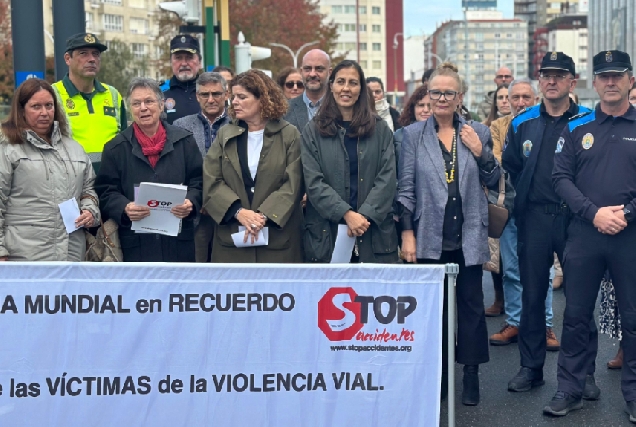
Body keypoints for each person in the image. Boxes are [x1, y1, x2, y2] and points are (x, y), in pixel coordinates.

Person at [398, 63, 501, 406]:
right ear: (427, 94)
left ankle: (470, 374)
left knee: (471, 308)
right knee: (435, 313)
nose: (441, 98)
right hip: (430, 235)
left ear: (460, 97)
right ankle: (439, 378)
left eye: (448, 93)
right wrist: (407, 233)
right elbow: (406, 190)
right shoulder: (412, 135)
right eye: (435, 92)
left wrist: (479, 151)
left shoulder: (478, 132)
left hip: (468, 233)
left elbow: (494, 179)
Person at [547, 50, 636, 420]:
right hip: (584, 234)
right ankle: (569, 388)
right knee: (577, 316)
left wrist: (625, 215)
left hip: (630, 236)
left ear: (631, 80)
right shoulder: (577, 128)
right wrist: (593, 213)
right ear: (594, 82)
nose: (611, 82)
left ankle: (633, 395)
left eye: (618, 75)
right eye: (604, 76)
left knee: (634, 318)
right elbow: (560, 179)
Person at [502, 52, 597, 397]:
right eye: (547, 75)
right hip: (536, 218)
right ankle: (531, 368)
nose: (552, 81)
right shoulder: (522, 123)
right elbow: (512, 164)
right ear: (540, 80)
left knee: (580, 298)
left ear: (573, 82)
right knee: (532, 295)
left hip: (578, 219)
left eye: (560, 75)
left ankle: (584, 373)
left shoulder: (589, 120)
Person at [96, 78, 202, 262]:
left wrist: (191, 202)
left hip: (178, 242)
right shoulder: (115, 148)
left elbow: (199, 182)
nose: (143, 108)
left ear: (161, 106)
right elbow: (105, 191)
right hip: (135, 245)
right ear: (130, 109)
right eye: (136, 103)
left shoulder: (185, 141)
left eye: (149, 101)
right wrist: (124, 207)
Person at [302, 60, 398, 264]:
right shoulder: (313, 130)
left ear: (361, 89)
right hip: (327, 236)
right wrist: (346, 214)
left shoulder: (380, 130)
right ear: (331, 86)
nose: (346, 88)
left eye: (353, 83)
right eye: (340, 81)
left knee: (373, 296)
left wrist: (362, 217)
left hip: (374, 234)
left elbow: (387, 178)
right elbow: (313, 182)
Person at [202, 69, 303, 263]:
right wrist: (239, 212)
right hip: (232, 241)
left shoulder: (289, 135)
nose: (235, 102)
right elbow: (211, 178)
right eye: (234, 97)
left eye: (242, 97)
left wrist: (263, 216)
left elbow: (294, 183)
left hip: (277, 242)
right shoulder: (225, 134)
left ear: (262, 99)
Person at [488, 78, 558, 349]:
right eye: (513, 97)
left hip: (541, 208)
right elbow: (498, 162)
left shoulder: (546, 122)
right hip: (510, 208)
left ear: (535, 97)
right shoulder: (498, 126)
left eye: (525, 97)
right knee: (512, 271)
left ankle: (546, 325)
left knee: (546, 272)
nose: (518, 103)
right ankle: (515, 322)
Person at [0, 78, 99, 261]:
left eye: (49, 105)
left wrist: (90, 211)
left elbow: (88, 190)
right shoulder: (7, 148)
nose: (44, 112)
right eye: (36, 106)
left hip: (71, 256)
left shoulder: (75, 148)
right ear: (21, 110)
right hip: (24, 258)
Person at [173, 72, 231, 263]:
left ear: (226, 94)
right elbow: (180, 169)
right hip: (195, 209)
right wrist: (199, 200)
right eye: (205, 95)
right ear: (197, 97)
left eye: (216, 94)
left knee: (228, 266)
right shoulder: (181, 126)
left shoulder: (240, 123)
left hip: (231, 207)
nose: (211, 99)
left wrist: (218, 200)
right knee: (197, 265)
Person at [52, 32, 126, 172]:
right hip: (71, 182)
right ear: (68, 59)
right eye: (83, 53)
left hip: (111, 182)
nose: (91, 59)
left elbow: (125, 139)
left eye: (96, 54)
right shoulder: (52, 95)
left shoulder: (113, 95)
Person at [283, 49, 331, 133]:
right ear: (301, 72)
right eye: (307, 69)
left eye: (319, 69)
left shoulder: (341, 108)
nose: (312, 74)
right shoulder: (285, 110)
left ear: (329, 72)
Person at [161, 35, 202, 124]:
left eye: (189, 57)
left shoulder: (211, 92)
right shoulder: (159, 92)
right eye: (178, 58)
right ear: (171, 62)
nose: (184, 63)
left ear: (200, 62)